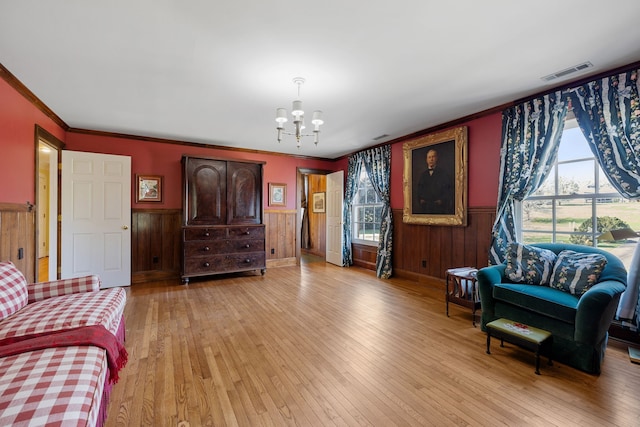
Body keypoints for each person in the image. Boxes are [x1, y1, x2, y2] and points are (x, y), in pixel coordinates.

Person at [416, 148, 453, 214]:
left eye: (433, 157)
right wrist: (421, 200)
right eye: (429, 157)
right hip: (426, 208)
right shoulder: (423, 175)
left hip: (439, 208)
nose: (431, 159)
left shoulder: (443, 173)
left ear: (436, 158)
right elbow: (419, 190)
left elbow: (448, 190)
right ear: (426, 160)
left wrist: (441, 200)